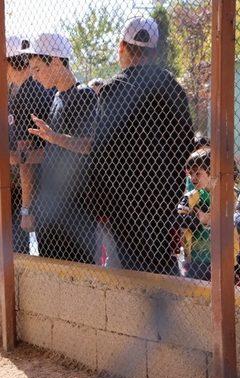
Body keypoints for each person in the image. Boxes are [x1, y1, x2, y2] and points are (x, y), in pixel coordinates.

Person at [92, 17, 195, 275]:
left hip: (122, 212)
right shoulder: (173, 90)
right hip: (161, 207)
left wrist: (102, 208)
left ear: (122, 47)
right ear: (155, 52)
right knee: (162, 276)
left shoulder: (112, 91)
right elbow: (185, 147)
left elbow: (101, 155)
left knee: (123, 281)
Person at [26, 33, 98, 264]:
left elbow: (89, 145)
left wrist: (53, 137)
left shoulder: (83, 95)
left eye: (37, 68)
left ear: (56, 61)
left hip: (76, 212)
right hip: (51, 211)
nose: (34, 76)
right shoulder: (56, 97)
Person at [1, 35, 54, 253]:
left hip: (42, 192)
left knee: (52, 256)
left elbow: (26, 158)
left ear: (7, 62)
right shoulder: (33, 87)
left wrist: (25, 208)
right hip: (54, 187)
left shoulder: (27, 94)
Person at [177, 147, 239, 280]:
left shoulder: (229, 192)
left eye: (197, 173)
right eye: (190, 174)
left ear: (212, 172)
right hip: (201, 257)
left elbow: (223, 218)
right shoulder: (200, 193)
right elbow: (182, 213)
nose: (192, 178)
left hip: (227, 257)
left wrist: (206, 218)